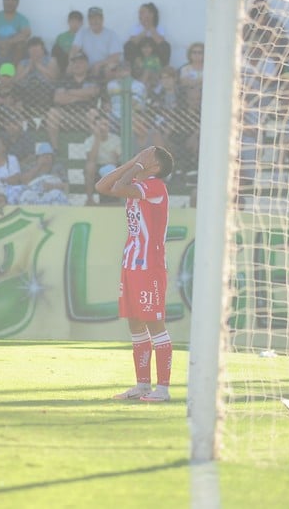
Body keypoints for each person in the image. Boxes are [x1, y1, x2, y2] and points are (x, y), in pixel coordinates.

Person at [95, 145, 176, 402]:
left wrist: (138, 166)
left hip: (149, 266)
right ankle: (142, 385)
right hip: (131, 263)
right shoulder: (137, 183)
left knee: (155, 325)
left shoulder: (155, 186)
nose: (142, 153)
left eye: (147, 153)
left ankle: (162, 389)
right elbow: (102, 186)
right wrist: (133, 162)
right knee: (135, 323)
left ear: (155, 166)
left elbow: (117, 188)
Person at [44, 50, 100, 150]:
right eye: (75, 62)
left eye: (80, 62)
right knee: (53, 112)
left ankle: (95, 148)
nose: (77, 65)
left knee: (93, 113)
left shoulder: (93, 78)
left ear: (87, 65)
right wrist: (82, 95)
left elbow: (92, 92)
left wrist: (68, 92)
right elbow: (58, 98)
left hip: (85, 115)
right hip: (67, 115)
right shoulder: (65, 79)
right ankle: (55, 148)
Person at [70, 6, 122, 82]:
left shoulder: (111, 34)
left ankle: (105, 90)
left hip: (104, 65)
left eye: (97, 18)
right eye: (91, 18)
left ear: (102, 19)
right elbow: (74, 49)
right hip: (87, 66)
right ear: (88, 20)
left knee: (110, 68)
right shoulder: (82, 32)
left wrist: (99, 64)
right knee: (72, 67)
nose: (94, 21)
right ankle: (78, 89)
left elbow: (116, 57)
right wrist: (71, 63)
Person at [83, 108, 121, 205]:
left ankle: (114, 201)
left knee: (110, 170)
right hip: (96, 168)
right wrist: (97, 139)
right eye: (100, 125)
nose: (103, 128)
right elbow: (91, 159)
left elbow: (118, 158)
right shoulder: (89, 141)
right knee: (90, 166)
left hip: (113, 167)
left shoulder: (116, 139)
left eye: (105, 125)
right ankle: (90, 199)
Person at [14, 36, 59, 114]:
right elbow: (16, 80)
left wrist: (39, 66)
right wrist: (27, 69)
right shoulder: (23, 62)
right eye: (32, 50)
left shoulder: (51, 60)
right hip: (26, 90)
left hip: (45, 90)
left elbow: (54, 77)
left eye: (37, 50)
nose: (35, 52)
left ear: (42, 49)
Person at [123, 2, 171, 68]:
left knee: (166, 46)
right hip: (139, 56)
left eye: (142, 12)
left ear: (151, 14)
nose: (140, 15)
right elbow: (131, 44)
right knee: (128, 45)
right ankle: (138, 65)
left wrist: (151, 28)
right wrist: (145, 30)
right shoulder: (136, 28)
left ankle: (159, 67)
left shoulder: (159, 28)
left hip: (154, 56)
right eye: (139, 13)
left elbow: (162, 44)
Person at [51, 10, 83, 75]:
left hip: (77, 61)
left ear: (81, 23)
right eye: (73, 21)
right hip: (63, 62)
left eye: (77, 22)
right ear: (68, 22)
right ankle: (58, 74)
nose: (75, 24)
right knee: (56, 48)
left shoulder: (84, 36)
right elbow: (55, 54)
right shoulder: (61, 37)